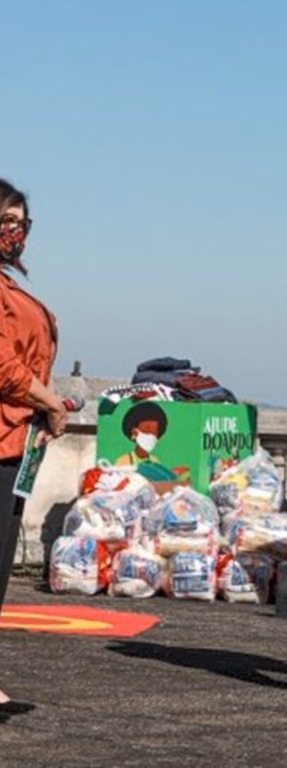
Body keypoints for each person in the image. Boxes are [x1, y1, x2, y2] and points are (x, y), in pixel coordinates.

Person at [0, 179, 70, 705]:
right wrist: (48, 400)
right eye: (5, 221)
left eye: (21, 222)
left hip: (14, 438)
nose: (15, 232)